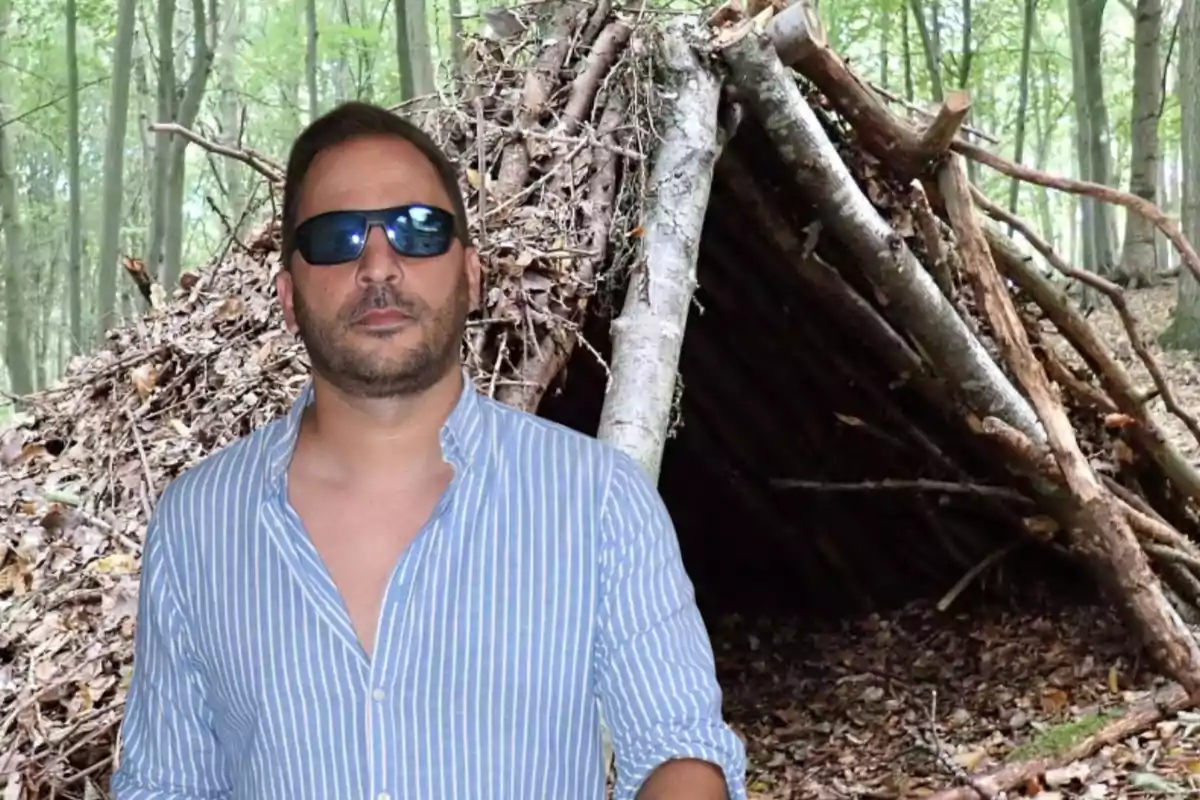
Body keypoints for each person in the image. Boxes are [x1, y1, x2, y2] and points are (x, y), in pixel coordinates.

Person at [110, 100, 747, 800]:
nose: (379, 265)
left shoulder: (597, 500)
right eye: (336, 238)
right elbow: (164, 783)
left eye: (419, 231)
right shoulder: (198, 524)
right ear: (289, 295)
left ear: (471, 274)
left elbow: (678, 749)